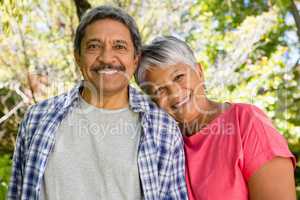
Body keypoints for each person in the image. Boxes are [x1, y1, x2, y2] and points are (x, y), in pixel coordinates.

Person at [7, 7, 188, 200]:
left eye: (119, 46)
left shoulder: (164, 129)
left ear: (135, 60)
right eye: (94, 46)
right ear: (78, 56)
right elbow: (17, 193)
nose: (107, 58)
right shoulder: (38, 117)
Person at [136, 35, 297, 200]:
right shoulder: (164, 146)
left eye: (179, 77)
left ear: (199, 72)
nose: (175, 94)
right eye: (159, 90)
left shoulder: (247, 121)